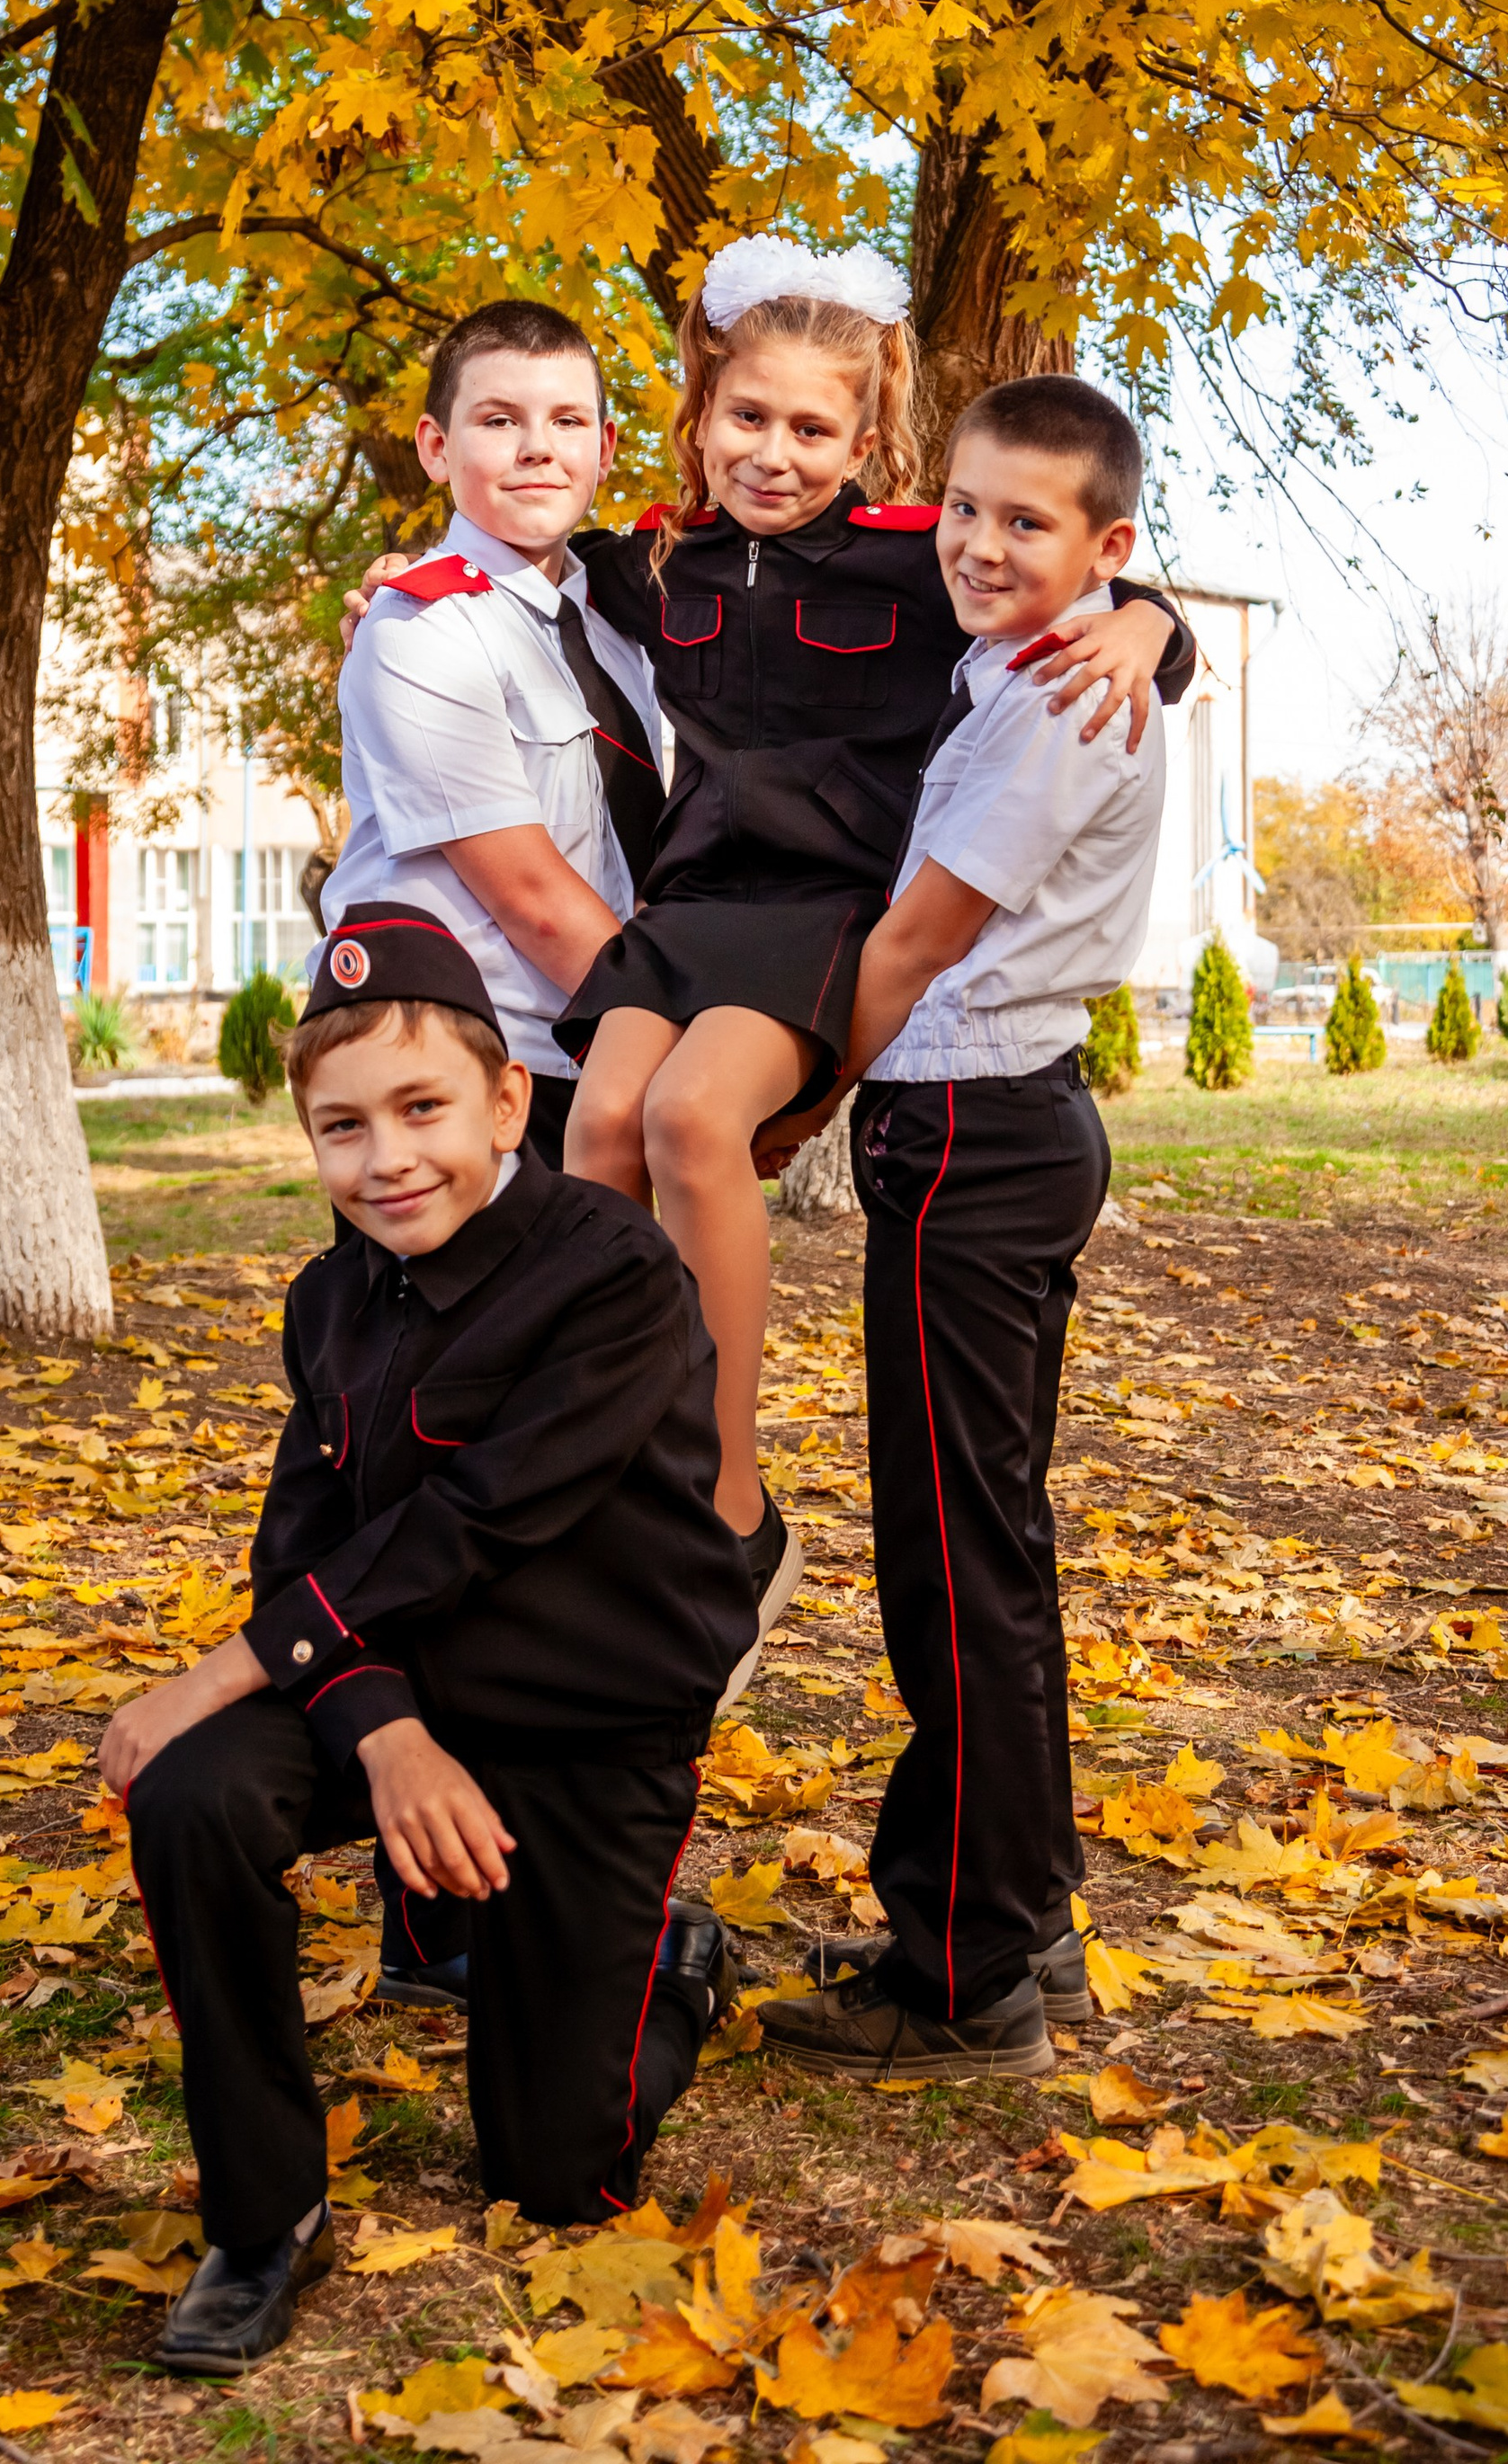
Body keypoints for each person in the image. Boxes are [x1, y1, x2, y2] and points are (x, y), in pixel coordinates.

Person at [103, 906, 754, 2374]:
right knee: (196, 1791)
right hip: (416, 1687)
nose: (385, 1159)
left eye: (420, 1110)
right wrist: (386, 1735)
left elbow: (471, 1519)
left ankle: (675, 1965)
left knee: (551, 2182)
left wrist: (222, 1668)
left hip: (589, 1717)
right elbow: (306, 1554)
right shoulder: (328, 1301)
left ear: (506, 1100)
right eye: (342, 1128)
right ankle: (261, 2218)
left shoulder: (613, 1271)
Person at [559, 236, 1196, 1671]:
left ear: (866, 437)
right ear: (700, 411)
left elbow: (1082, 597)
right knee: (597, 1128)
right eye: (745, 418)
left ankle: (729, 1512)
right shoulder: (664, 558)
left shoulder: (922, 554)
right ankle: (610, 1464)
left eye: (808, 429)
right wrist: (392, 595)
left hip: (831, 909)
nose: (771, 454)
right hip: (695, 896)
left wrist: (1154, 629)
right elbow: (521, 569)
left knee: (687, 1120)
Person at [750, 373, 1172, 2081]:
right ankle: (1030, 1909)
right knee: (987, 1545)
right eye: (971, 514)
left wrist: (793, 1111)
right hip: (1005, 1126)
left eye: (1031, 524)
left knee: (956, 1565)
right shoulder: (1031, 659)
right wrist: (1150, 620)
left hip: (972, 1142)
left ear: (1108, 545)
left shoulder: (1052, 703)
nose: (986, 547)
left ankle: (964, 1970)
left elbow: (915, 943)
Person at [326, 298, 665, 1179]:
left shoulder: (623, 621)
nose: (537, 449)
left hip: (605, 1058)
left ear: (606, 446)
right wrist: (688, 1045)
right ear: (435, 448)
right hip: (472, 1070)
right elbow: (532, 900)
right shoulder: (420, 629)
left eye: (566, 420)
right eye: (498, 420)